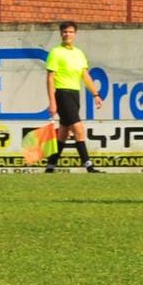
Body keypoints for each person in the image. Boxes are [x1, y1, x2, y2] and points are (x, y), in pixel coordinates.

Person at [44, 20, 103, 173]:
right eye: (65, 31)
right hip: (63, 93)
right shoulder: (56, 52)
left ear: (75, 34)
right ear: (61, 34)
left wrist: (95, 94)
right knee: (78, 129)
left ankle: (50, 166)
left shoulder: (79, 53)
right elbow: (50, 78)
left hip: (75, 94)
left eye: (70, 31)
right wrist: (52, 102)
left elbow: (85, 76)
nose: (67, 34)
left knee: (63, 133)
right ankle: (88, 165)